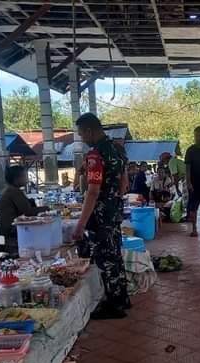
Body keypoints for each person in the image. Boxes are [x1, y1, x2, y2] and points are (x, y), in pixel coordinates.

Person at [72, 113, 130, 319]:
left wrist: (81, 224)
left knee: (105, 259)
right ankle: (122, 297)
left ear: (89, 130)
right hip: (114, 213)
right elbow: (124, 185)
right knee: (115, 256)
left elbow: (93, 192)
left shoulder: (95, 156)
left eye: (81, 135)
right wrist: (114, 202)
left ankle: (115, 306)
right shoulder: (117, 149)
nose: (82, 139)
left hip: (100, 216)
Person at [0, 166, 49, 253]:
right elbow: (28, 212)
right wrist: (47, 208)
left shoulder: (10, 190)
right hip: (12, 230)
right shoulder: (14, 191)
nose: (27, 179)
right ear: (16, 179)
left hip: (9, 230)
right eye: (25, 176)